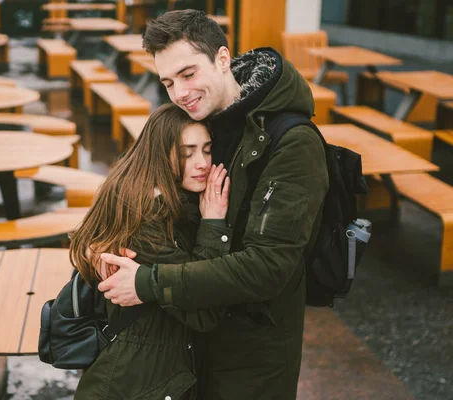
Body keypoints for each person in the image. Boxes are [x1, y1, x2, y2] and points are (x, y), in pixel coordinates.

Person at [96, 9, 330, 400]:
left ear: (223, 60)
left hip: (251, 358)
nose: (180, 93)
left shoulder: (292, 143)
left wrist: (149, 282)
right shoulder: (205, 121)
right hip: (191, 336)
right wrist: (108, 235)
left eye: (188, 74)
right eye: (168, 82)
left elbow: (270, 266)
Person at [69, 103, 232, 399]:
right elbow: (205, 310)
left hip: (148, 376)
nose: (202, 163)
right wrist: (213, 224)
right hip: (139, 385)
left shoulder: (161, 197)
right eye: (187, 152)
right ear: (161, 153)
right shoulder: (146, 218)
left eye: (207, 150)